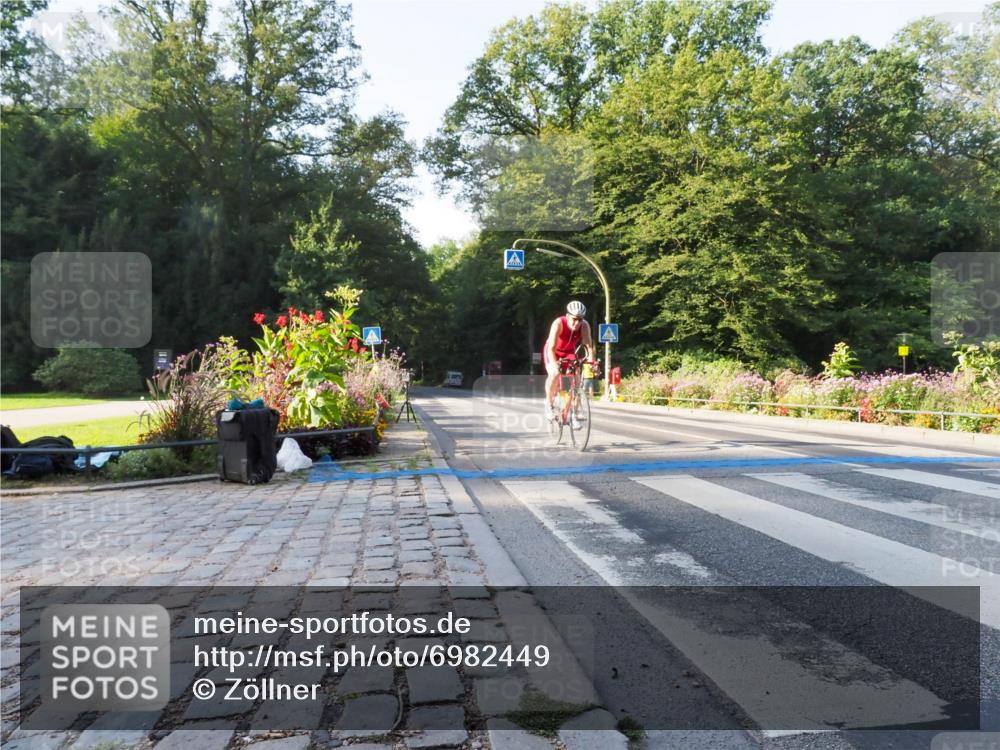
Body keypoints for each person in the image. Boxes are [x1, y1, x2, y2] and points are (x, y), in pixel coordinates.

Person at [543, 301, 596, 423]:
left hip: (569, 352)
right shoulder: (558, 323)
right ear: (567, 316)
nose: (577, 323)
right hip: (553, 351)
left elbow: (588, 347)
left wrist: (592, 364)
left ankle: (574, 414)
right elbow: (551, 348)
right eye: (574, 319)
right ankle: (549, 404)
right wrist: (555, 366)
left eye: (580, 319)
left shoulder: (584, 326)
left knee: (577, 378)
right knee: (555, 374)